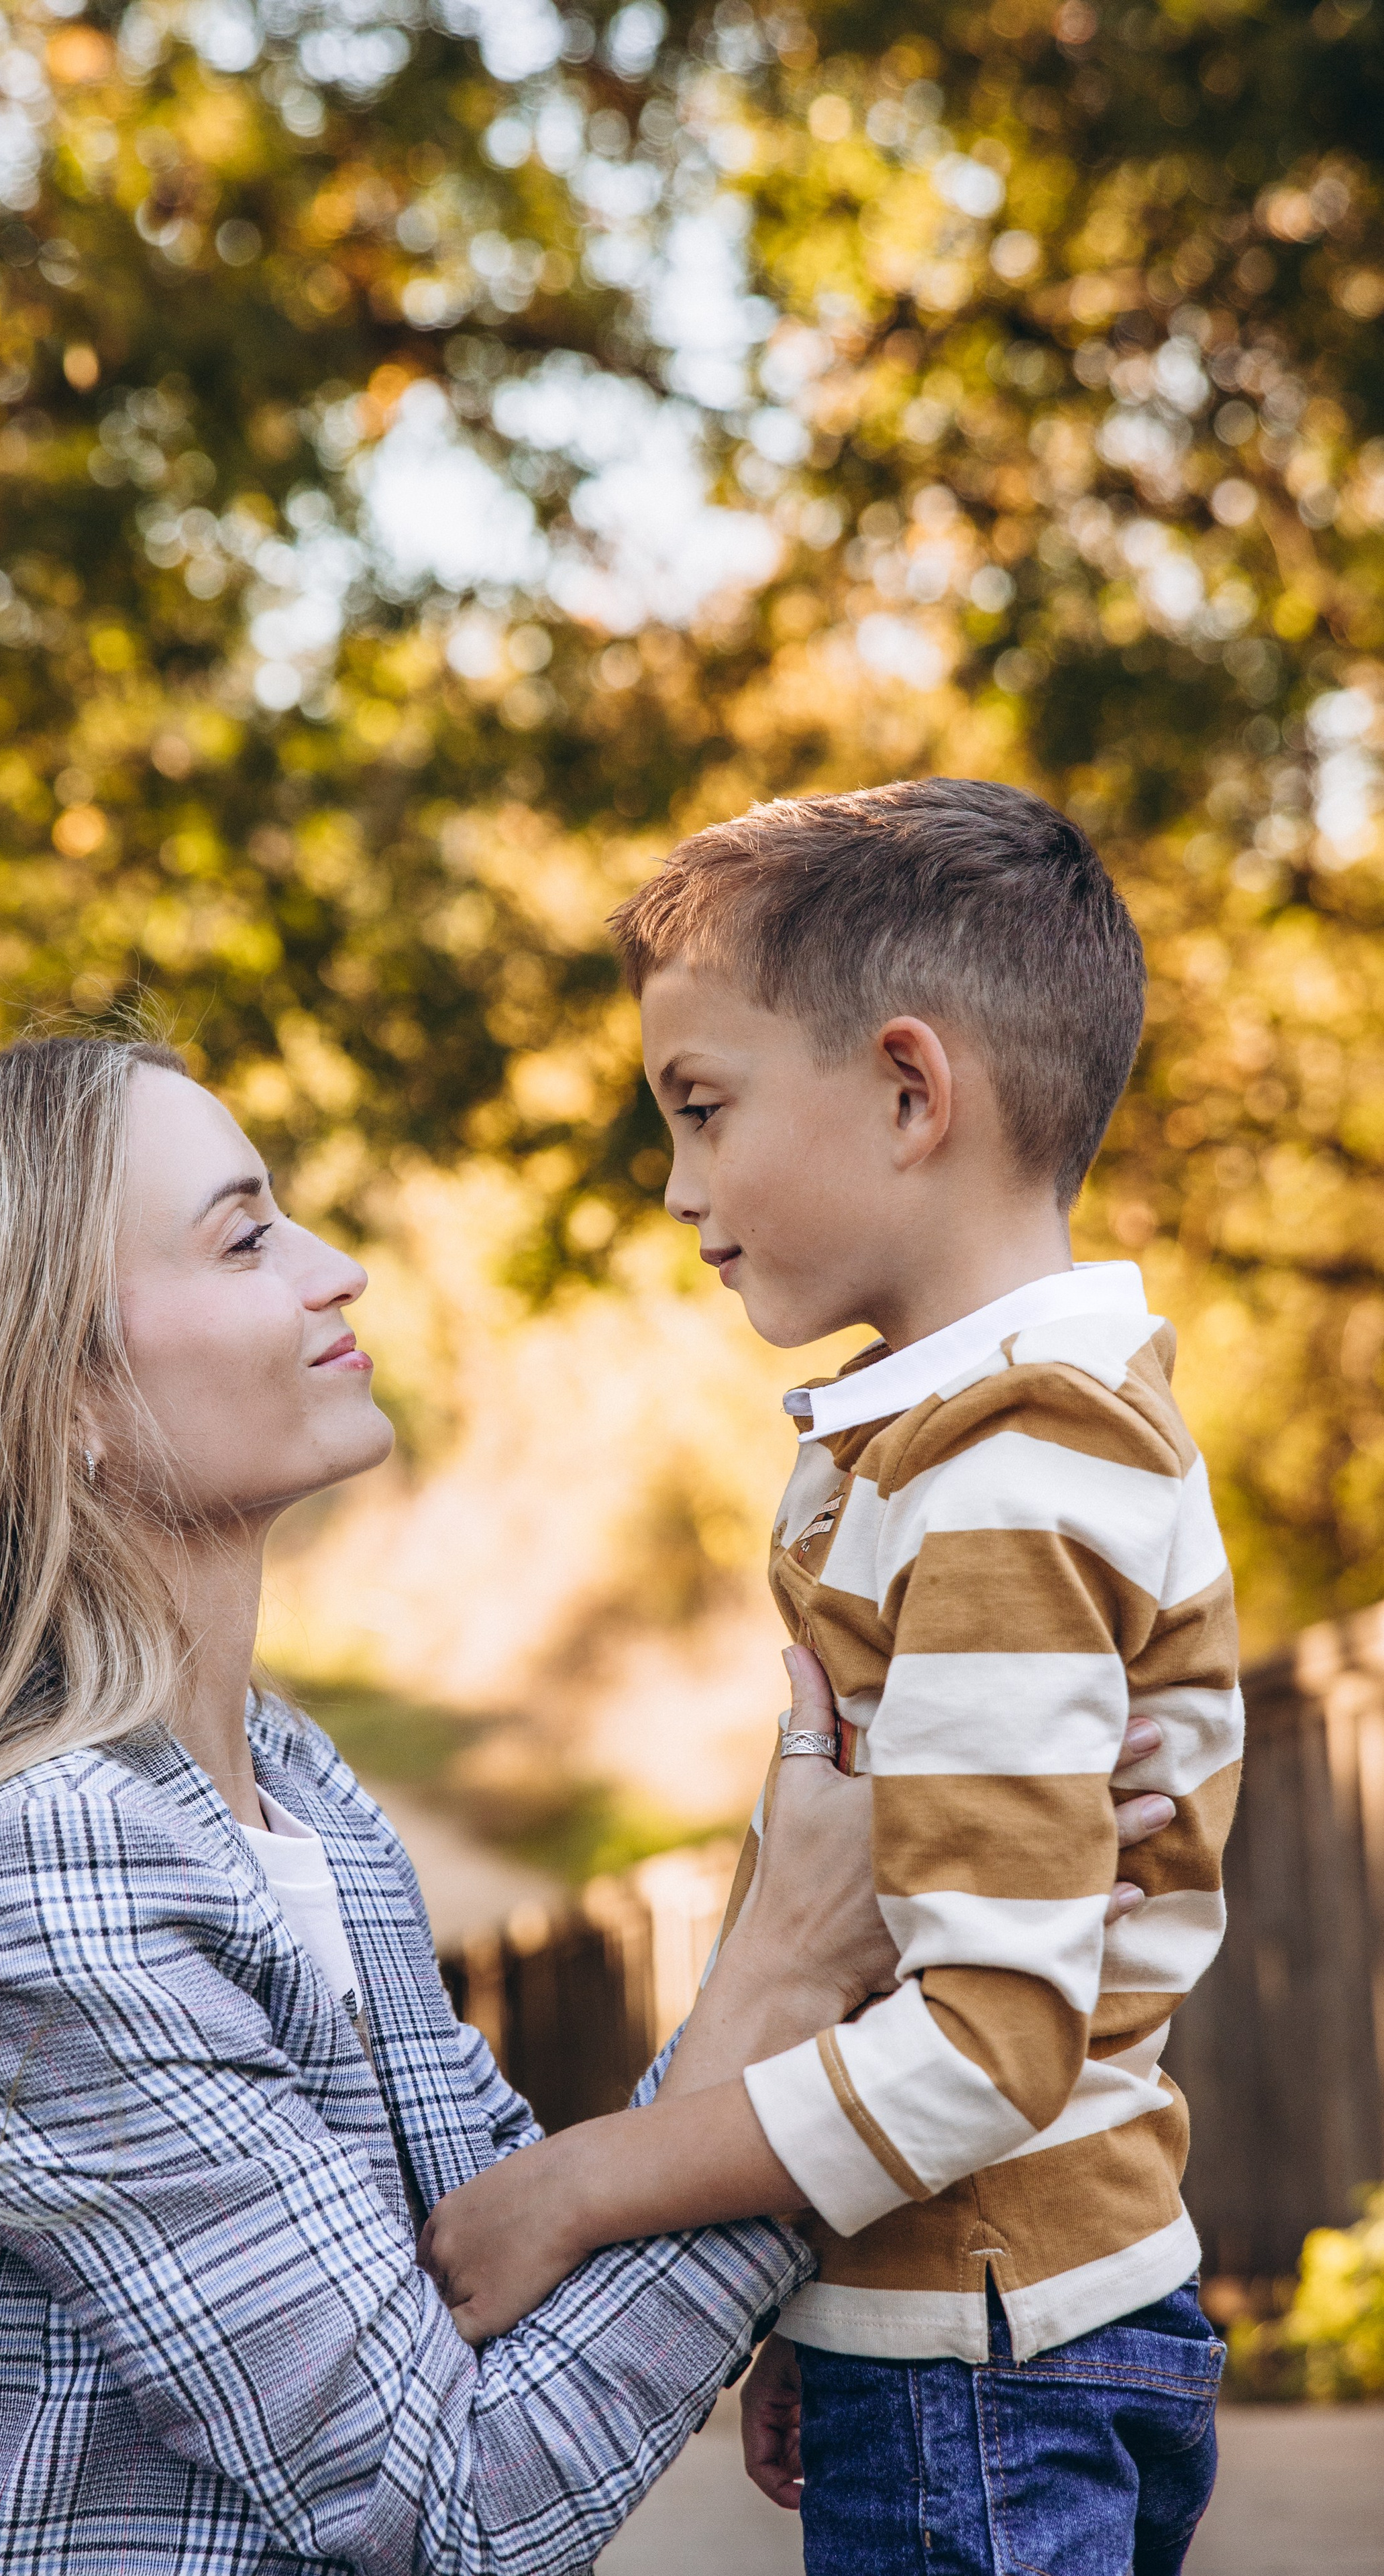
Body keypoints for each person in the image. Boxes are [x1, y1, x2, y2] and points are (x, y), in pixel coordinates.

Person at [0, 1031, 1182, 2576]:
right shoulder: (46, 1868)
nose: (336, 1271)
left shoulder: (293, 1793)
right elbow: (460, 2502)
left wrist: (819, 1981)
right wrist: (795, 1961)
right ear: (59, 1398)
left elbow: (499, 2265)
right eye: (244, 1239)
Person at [419, 780, 1238, 2576]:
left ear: (908, 1092)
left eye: (701, 1109)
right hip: (974, 2325)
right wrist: (814, 2291)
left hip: (990, 2370)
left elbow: (989, 2046)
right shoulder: (978, 1450)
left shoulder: (1007, 1482)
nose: (678, 1188)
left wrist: (580, 2185)